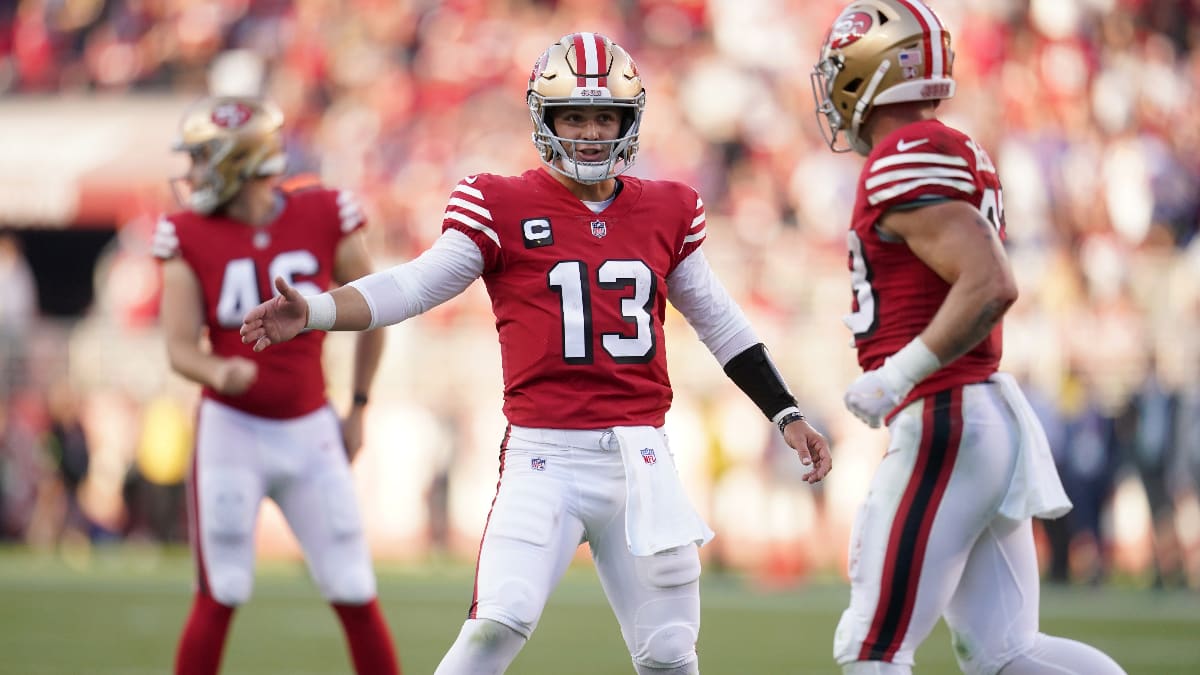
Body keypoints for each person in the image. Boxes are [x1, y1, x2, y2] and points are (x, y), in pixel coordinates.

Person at [241, 32, 832, 675]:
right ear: (543, 119)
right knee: (499, 621)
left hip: (643, 460)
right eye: (573, 115)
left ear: (628, 121)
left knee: (669, 653)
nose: (588, 130)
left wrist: (786, 411)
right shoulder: (500, 202)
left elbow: (721, 323)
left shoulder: (669, 208)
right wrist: (317, 311)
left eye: (604, 115)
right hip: (545, 458)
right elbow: (413, 284)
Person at [810, 2, 1128, 674]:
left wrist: (897, 373)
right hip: (976, 412)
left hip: (945, 412)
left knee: (871, 646)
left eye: (842, 70)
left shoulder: (906, 151)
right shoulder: (947, 146)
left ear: (873, 72)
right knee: (1006, 653)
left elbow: (989, 283)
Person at [153, 95, 399, 675]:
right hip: (230, 429)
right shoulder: (186, 232)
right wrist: (219, 371)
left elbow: (379, 308)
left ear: (235, 162)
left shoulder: (321, 212)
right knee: (223, 590)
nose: (190, 175)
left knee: (353, 583)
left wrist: (358, 406)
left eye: (201, 159)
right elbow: (179, 346)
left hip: (310, 426)